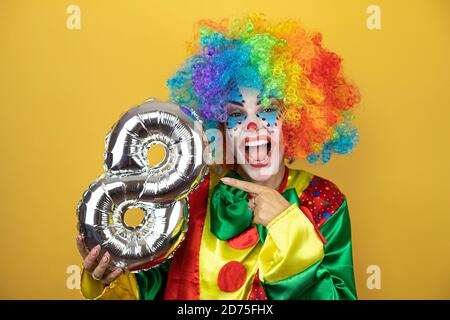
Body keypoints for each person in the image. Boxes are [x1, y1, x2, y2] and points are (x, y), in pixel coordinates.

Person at [76, 14, 360, 300]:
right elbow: (147, 286)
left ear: (296, 120)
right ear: (221, 127)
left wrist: (287, 226)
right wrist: (107, 276)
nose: (253, 126)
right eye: (237, 114)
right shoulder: (194, 190)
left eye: (269, 110)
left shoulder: (324, 200)